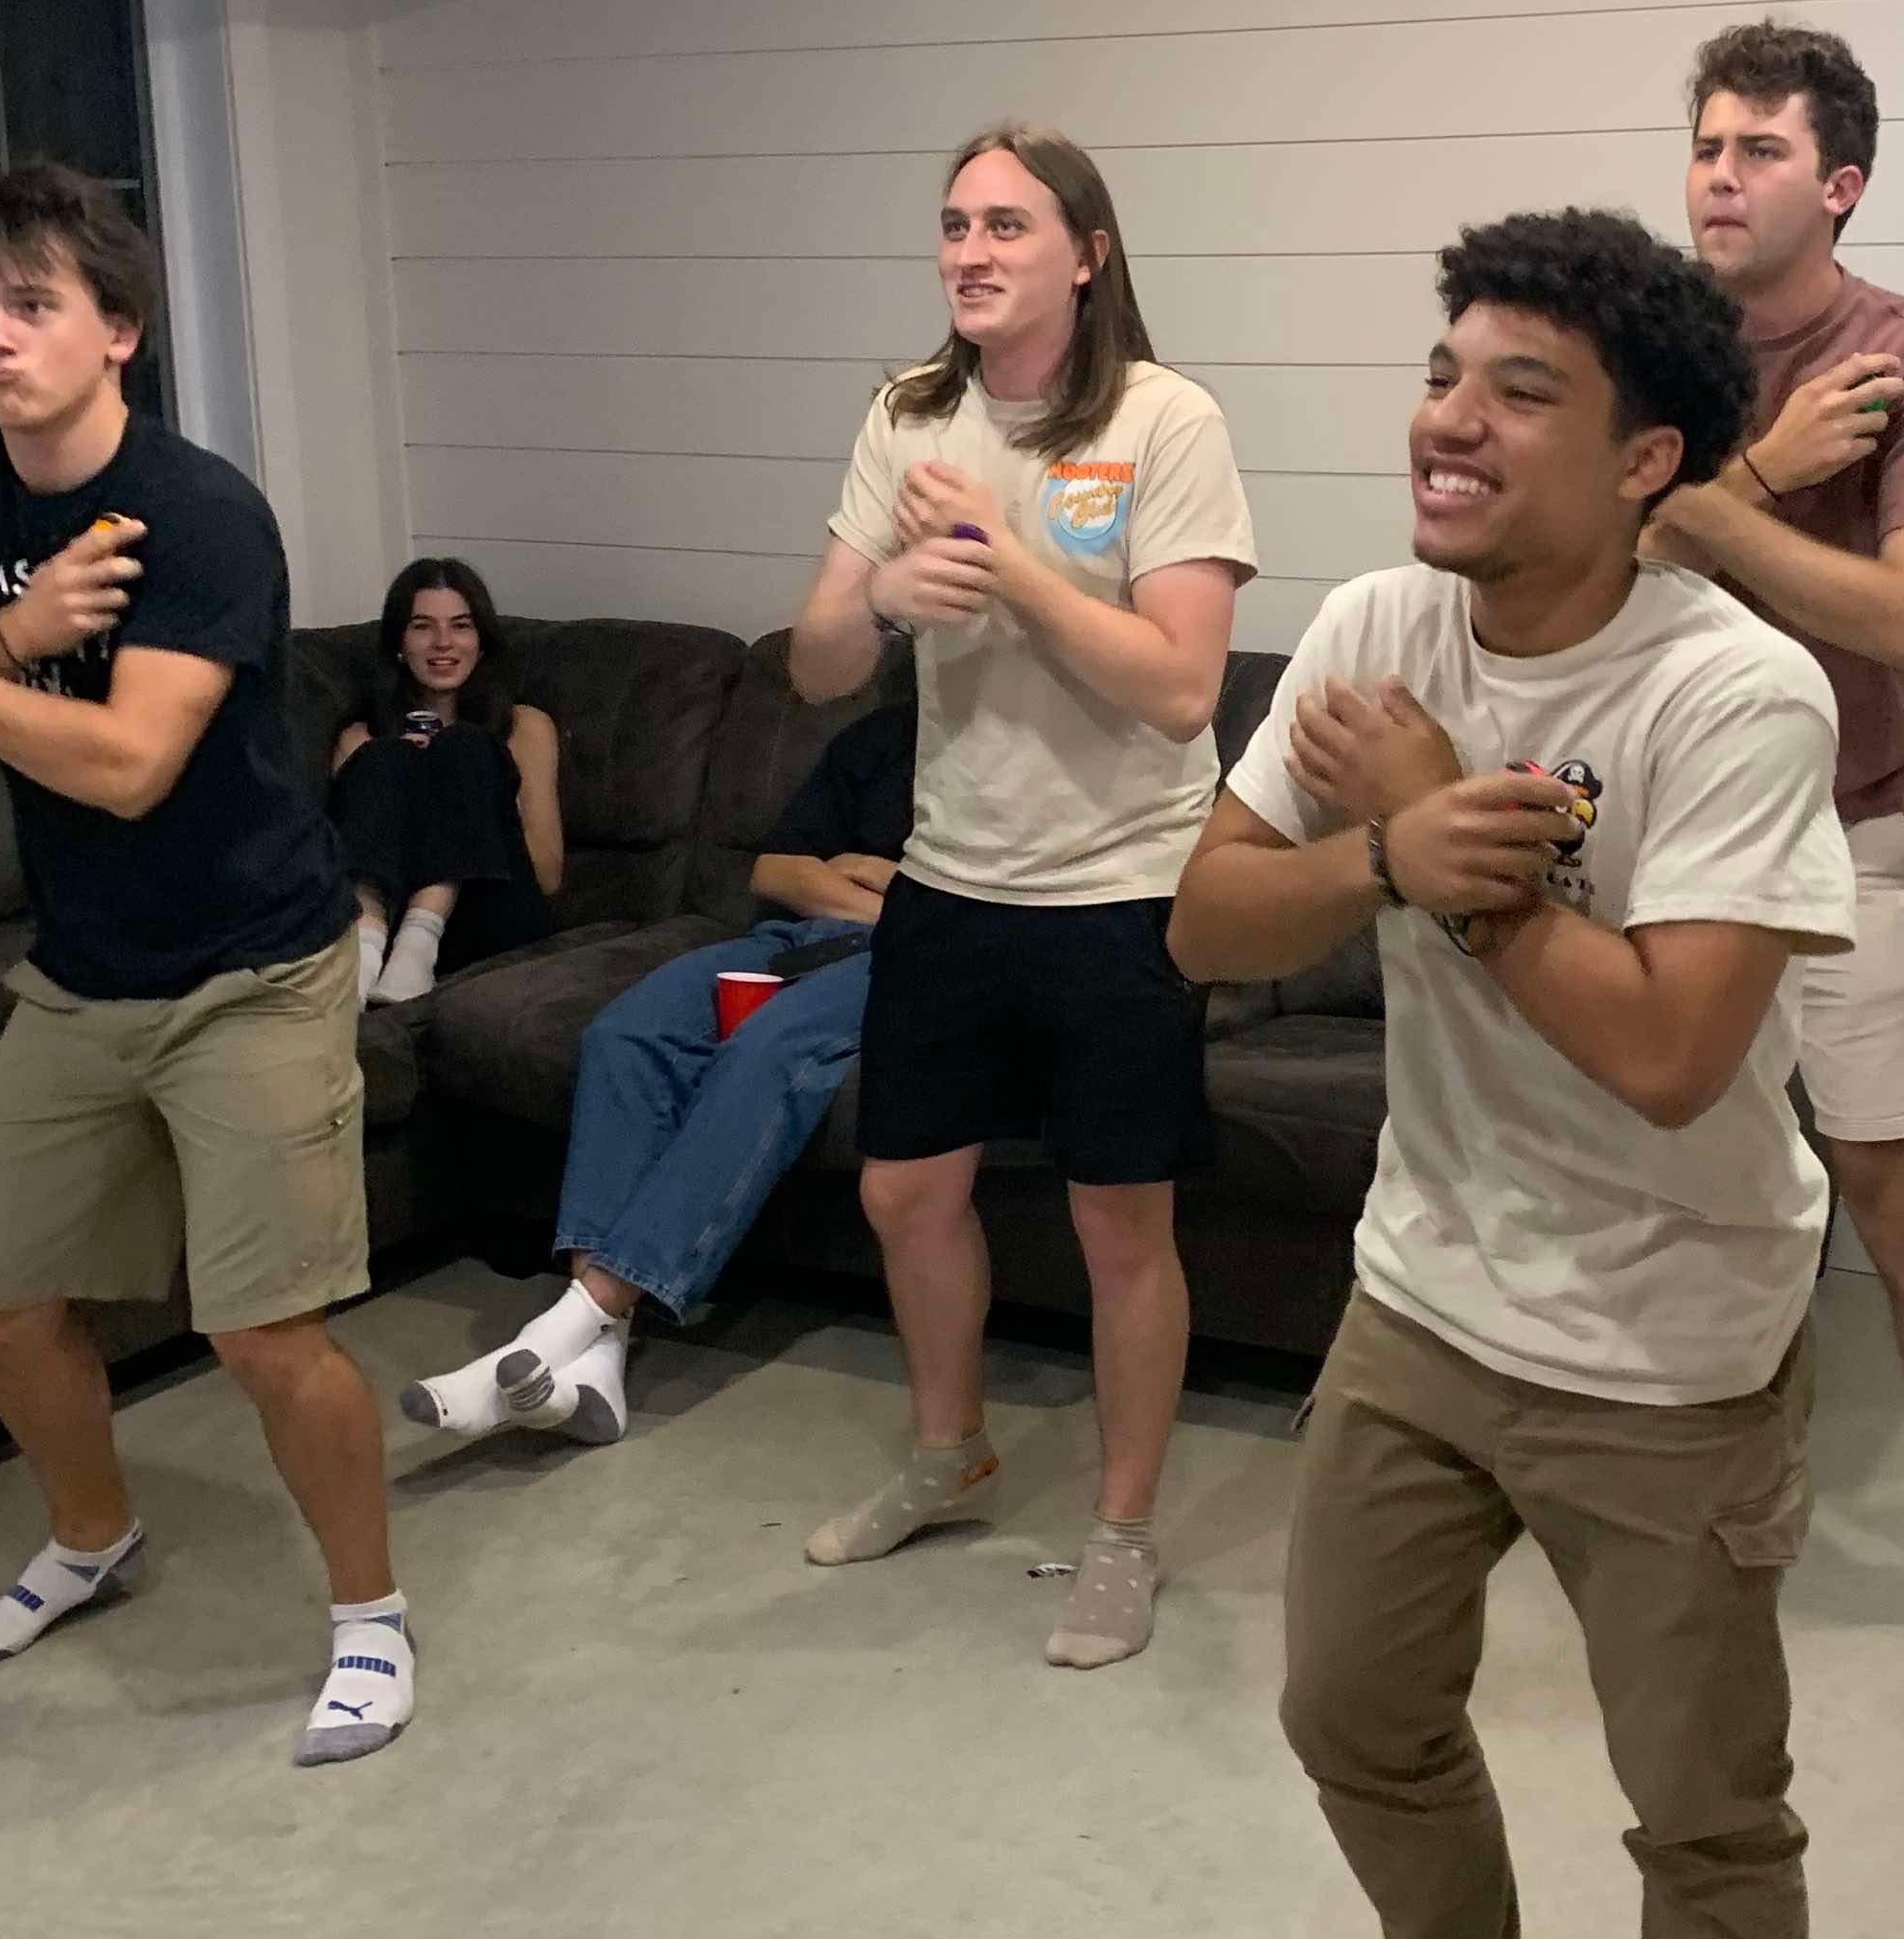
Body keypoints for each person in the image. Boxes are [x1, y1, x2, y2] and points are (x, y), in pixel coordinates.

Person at [1171, 208, 1855, 1939]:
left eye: (1520, 391)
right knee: (1348, 1709)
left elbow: (1667, 1052)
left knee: (1704, 1817)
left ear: (1648, 460)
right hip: (1425, 1298)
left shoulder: (1735, 693)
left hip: (1670, 1348)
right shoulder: (1379, 627)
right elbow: (1203, 919)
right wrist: (1388, 855)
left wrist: (1435, 854)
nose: (1449, 421)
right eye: (1444, 372)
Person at [0, 161, 409, 1769]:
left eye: (33, 305)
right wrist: (6, 640)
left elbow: (128, 766)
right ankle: (94, 1535)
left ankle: (369, 1615)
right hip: (82, 975)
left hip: (255, 967)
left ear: (120, 331)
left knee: (265, 1336)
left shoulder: (196, 515)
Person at [788, 121, 1255, 1670]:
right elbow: (815, 663)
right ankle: (950, 1453)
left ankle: (1120, 1533)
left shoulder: (1164, 420)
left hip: (1124, 889)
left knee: (1120, 1224)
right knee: (901, 1191)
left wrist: (1010, 572)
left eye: (1005, 225)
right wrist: (879, 599)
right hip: (953, 877)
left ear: (1087, 253)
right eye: (953, 225)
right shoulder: (907, 415)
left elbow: (1181, 688)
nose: (970, 252)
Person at [1645, 17, 1904, 1694]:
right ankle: (1673, 1518)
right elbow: (1574, 566)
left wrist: (1698, 510)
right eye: (1705, 145)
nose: (1719, 176)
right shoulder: (1636, 340)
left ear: (1841, 184)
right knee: (1668, 1190)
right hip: (1657, 837)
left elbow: (1902, 617)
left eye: (1758, 149)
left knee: (1900, 1199)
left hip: (1844, 836)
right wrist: (1756, 474)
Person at [398, 692, 916, 1447]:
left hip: (907, 960)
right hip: (791, 937)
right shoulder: (882, 736)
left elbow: (963, 912)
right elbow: (776, 872)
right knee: (625, 1034)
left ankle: (560, 1328)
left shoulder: (1033, 753)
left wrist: (869, 881)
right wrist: (880, 879)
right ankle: (596, 1363)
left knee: (764, 1050)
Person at [329, 558, 562, 1004]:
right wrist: (408, 784)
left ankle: (420, 940)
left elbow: (548, 876)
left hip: (494, 914)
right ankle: (366, 948)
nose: (442, 642)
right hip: (389, 918)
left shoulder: (526, 727)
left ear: (481, 641)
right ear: (399, 643)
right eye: (422, 626)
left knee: (463, 748)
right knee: (384, 756)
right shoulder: (359, 740)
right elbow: (344, 860)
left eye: (461, 626)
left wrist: (477, 800)